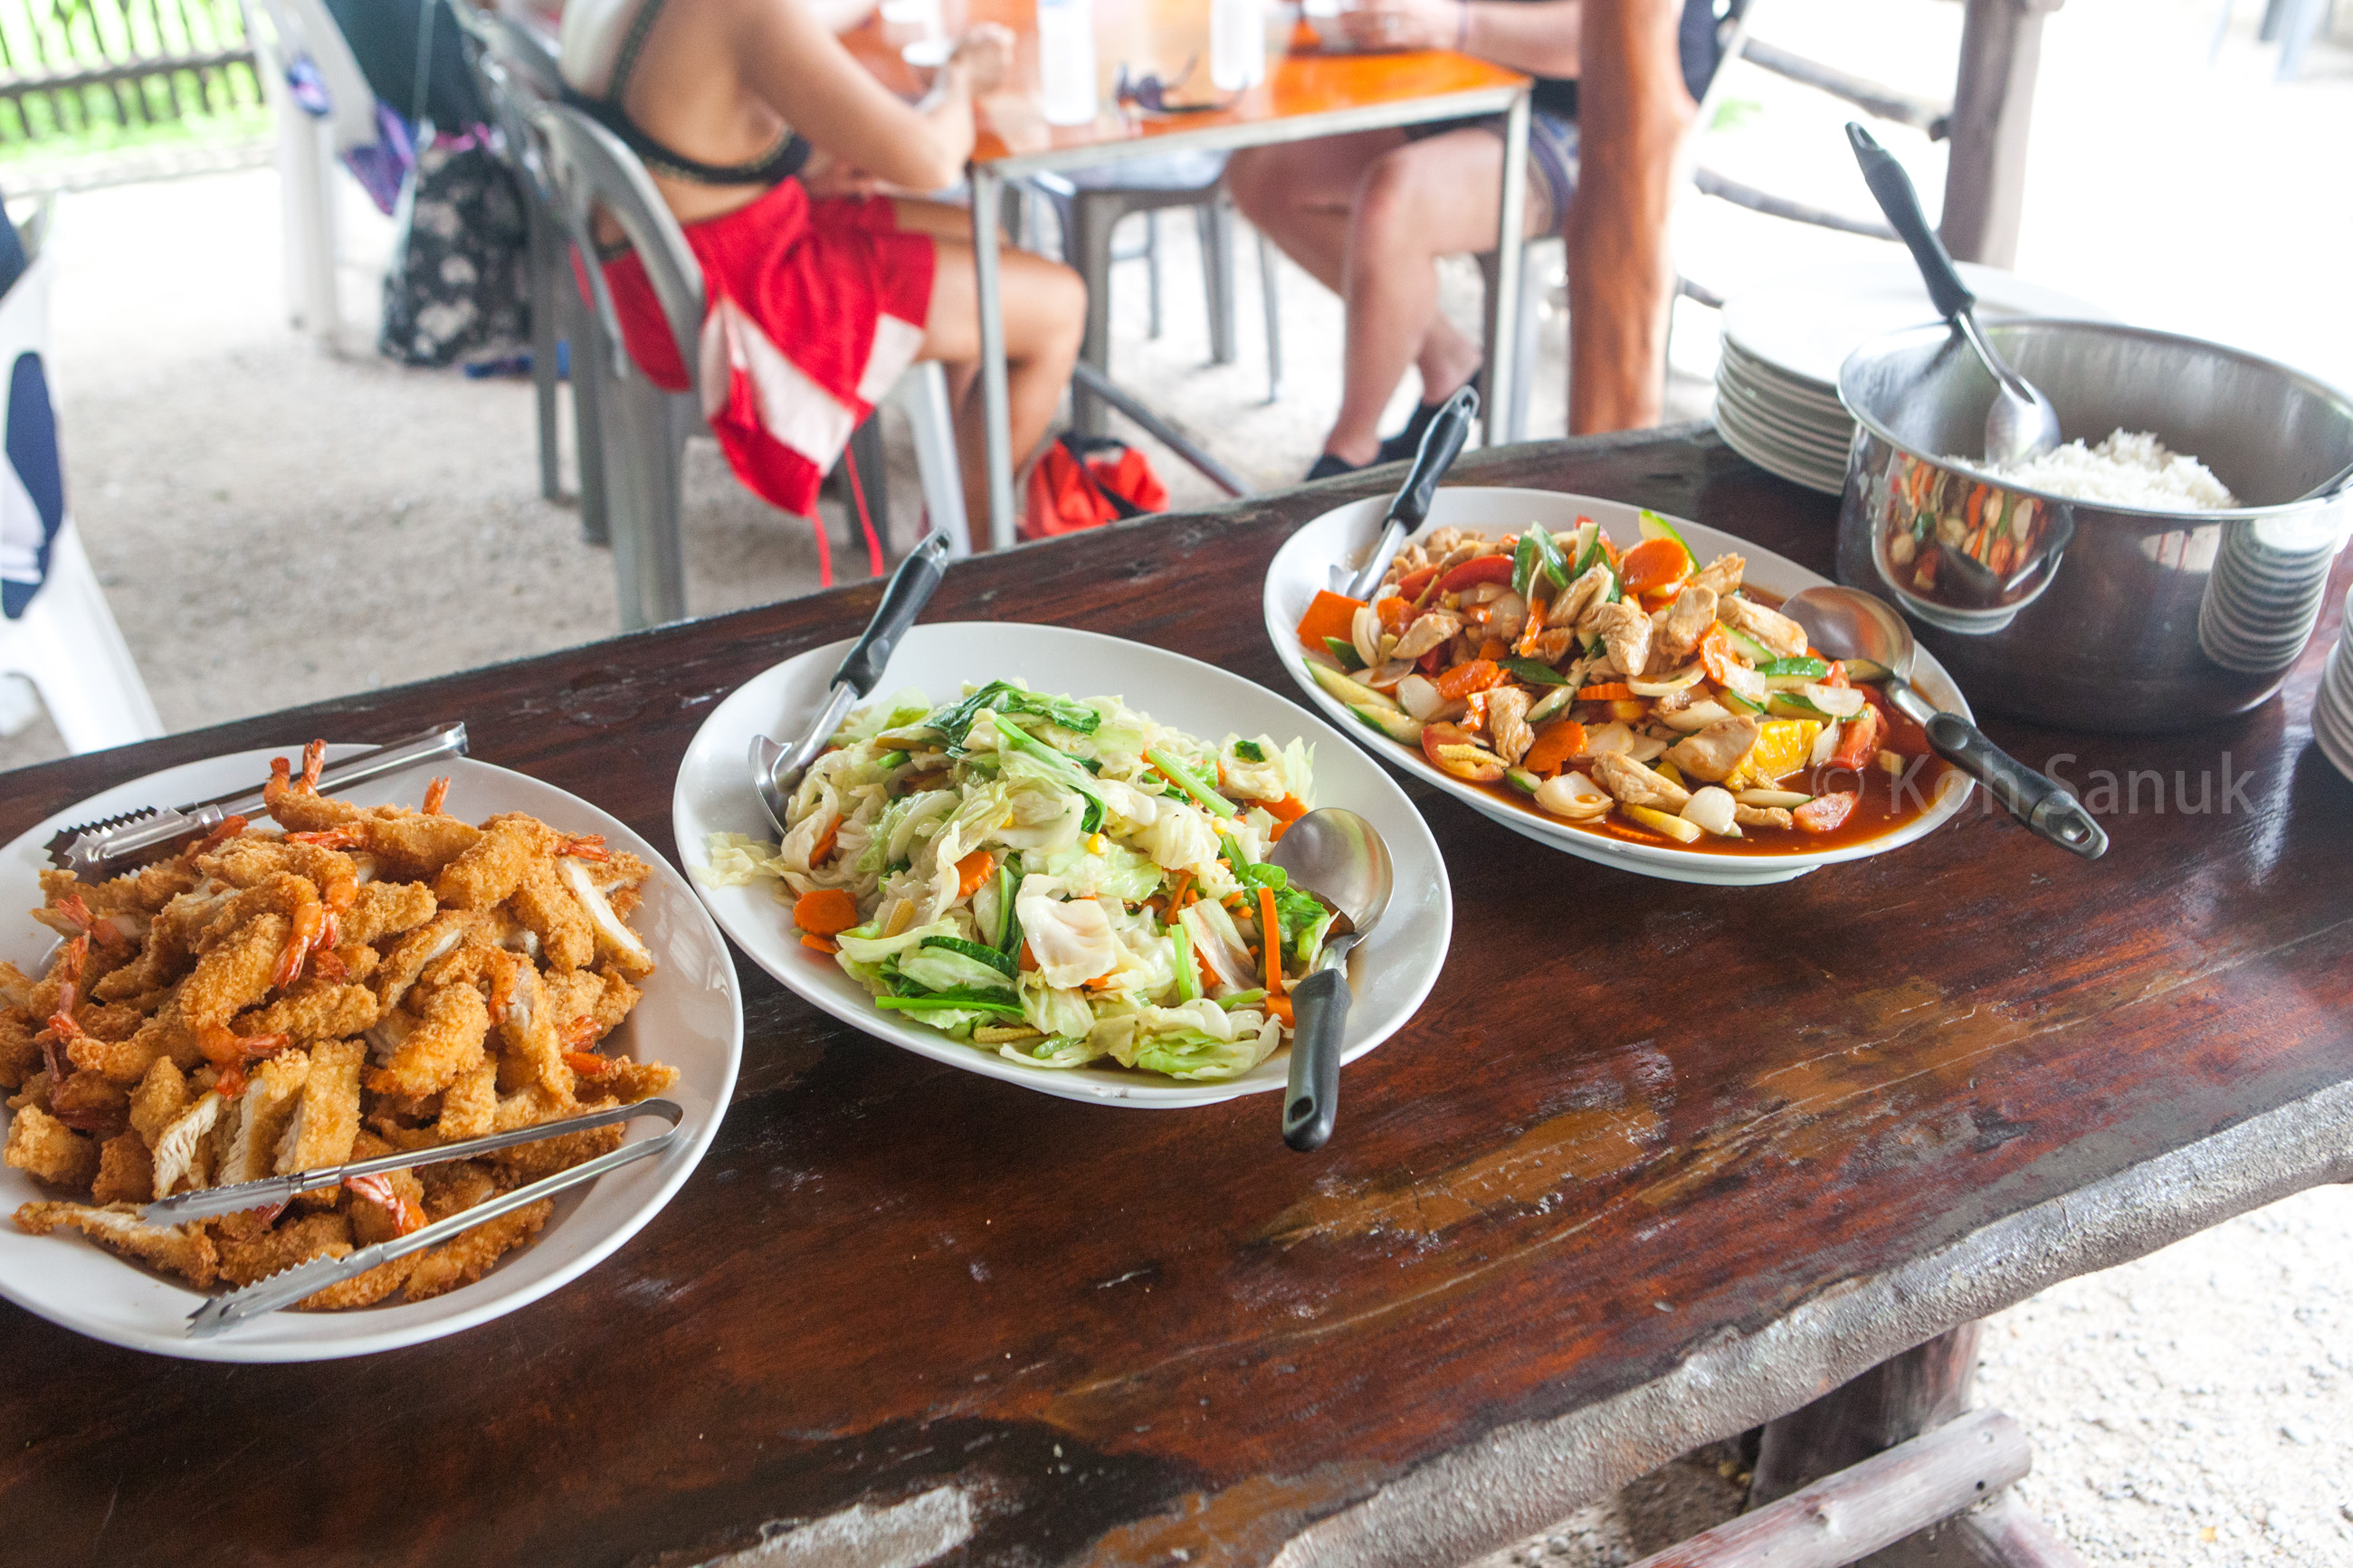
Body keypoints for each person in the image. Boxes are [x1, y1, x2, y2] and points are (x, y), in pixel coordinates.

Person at [559, 0, 1086, 540]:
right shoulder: (742, 11)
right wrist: (959, 78)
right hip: (729, 309)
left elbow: (683, 107)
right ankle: (974, 550)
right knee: (1058, 305)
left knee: (987, 246)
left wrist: (795, 167)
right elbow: (930, 160)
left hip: (660, 271)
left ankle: (952, 504)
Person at [1225, 0, 1721, 477]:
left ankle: (1349, 453)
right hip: (1474, 78)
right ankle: (1451, 364)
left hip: (1600, 118)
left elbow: (1590, 39)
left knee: (1395, 203)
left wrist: (1453, 24)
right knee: (1263, 176)